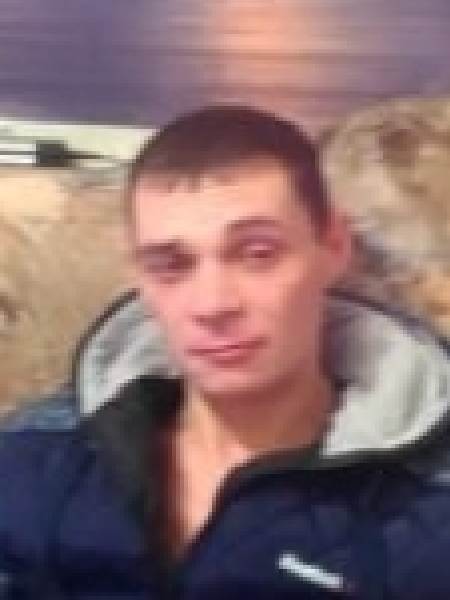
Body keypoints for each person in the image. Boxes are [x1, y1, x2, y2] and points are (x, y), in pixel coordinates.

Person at [1, 105, 449, 600]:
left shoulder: (426, 509)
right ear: (139, 276)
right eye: (172, 265)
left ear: (332, 246)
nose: (213, 304)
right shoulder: (36, 457)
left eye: (258, 255)